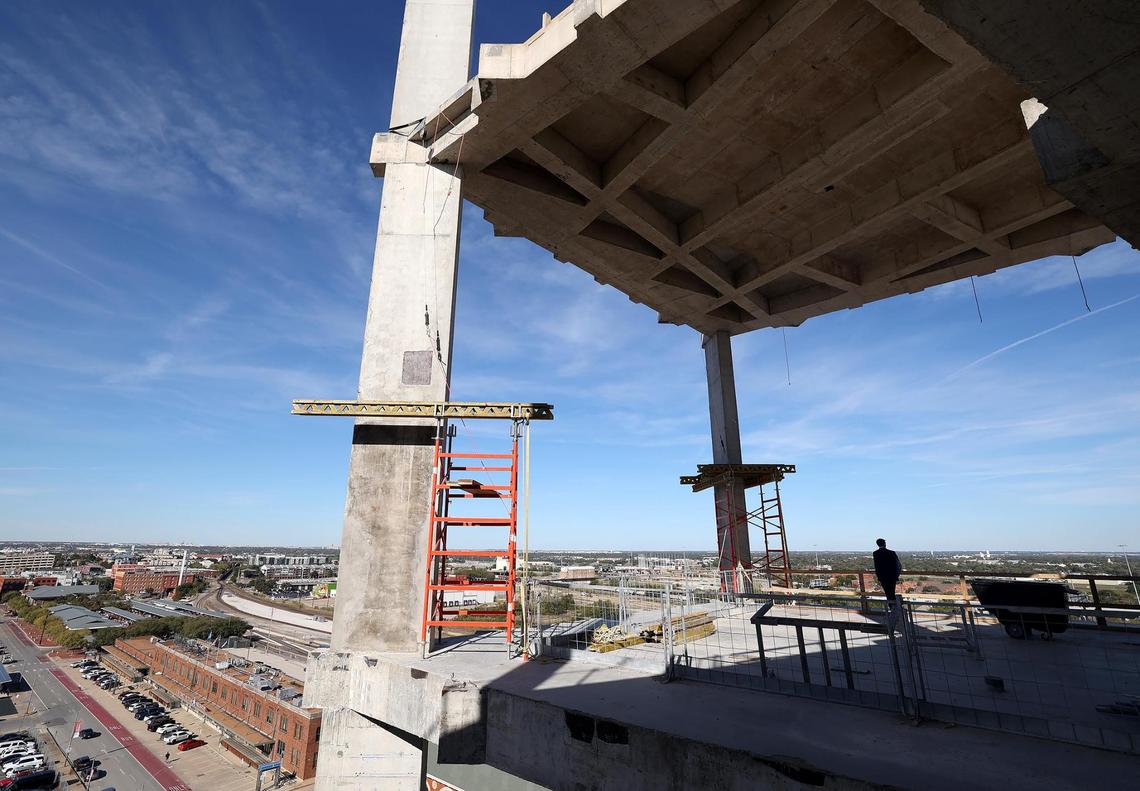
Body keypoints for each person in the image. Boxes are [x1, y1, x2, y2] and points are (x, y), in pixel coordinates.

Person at [873, 538, 902, 607]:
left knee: (888, 593)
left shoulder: (875, 553)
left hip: (883, 577)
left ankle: (892, 608)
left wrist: (879, 577)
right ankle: (895, 609)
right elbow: (898, 565)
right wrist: (896, 575)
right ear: (885, 544)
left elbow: (876, 567)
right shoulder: (892, 553)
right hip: (892, 577)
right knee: (892, 592)